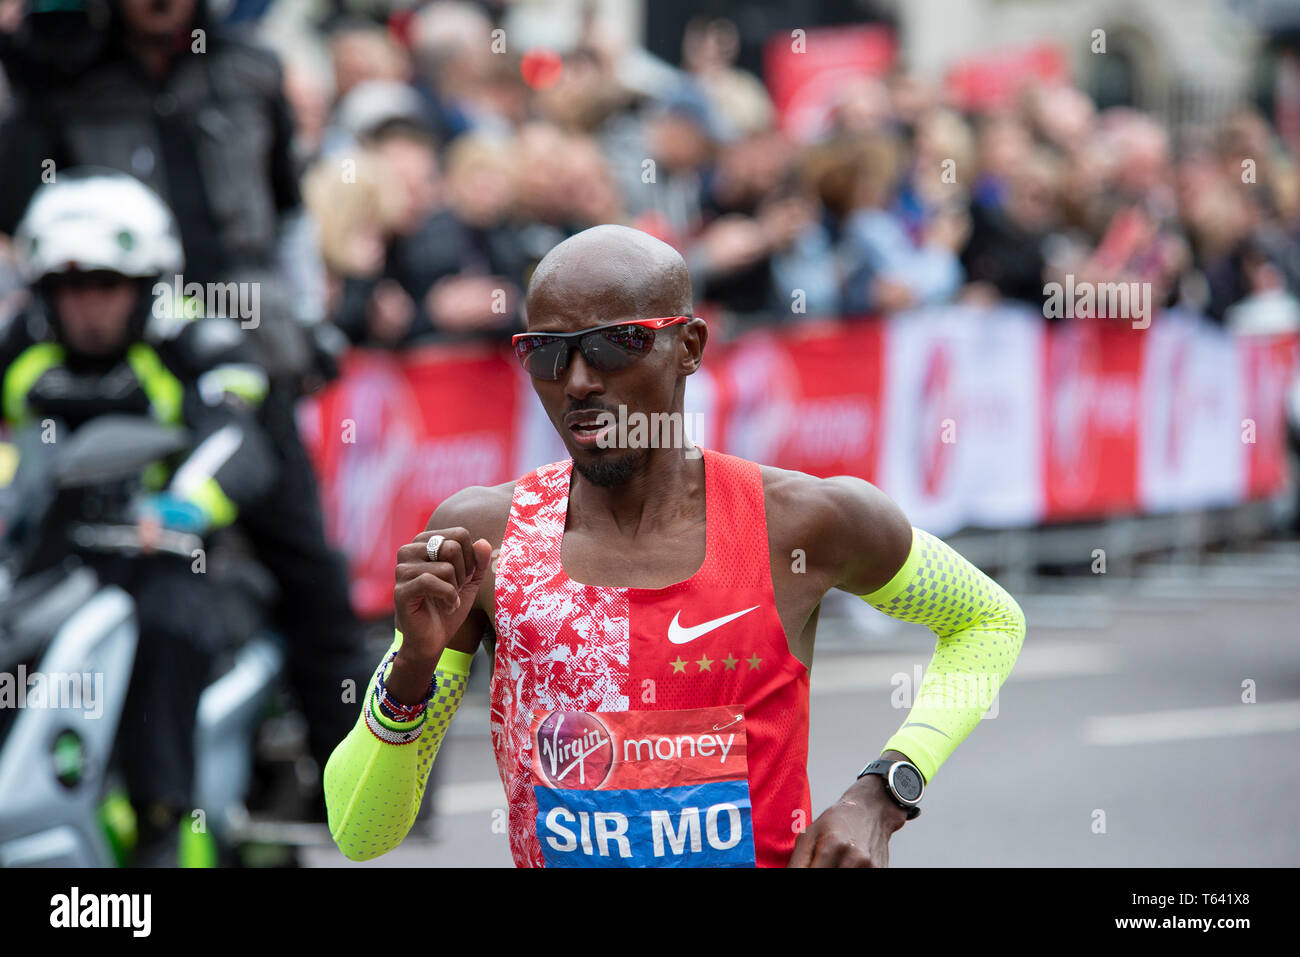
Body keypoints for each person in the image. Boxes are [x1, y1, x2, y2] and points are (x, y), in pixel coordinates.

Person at [324, 225, 1027, 868]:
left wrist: (884, 791)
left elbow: (989, 622)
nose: (577, 380)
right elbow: (361, 834)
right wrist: (414, 666)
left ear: (688, 346)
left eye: (614, 343)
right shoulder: (488, 539)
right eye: (546, 351)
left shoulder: (801, 521)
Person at [0, 0, 372, 779]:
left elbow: (290, 211)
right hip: (105, 341)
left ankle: (350, 769)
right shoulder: (63, 72)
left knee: (306, 564)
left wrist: (307, 320)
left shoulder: (250, 67)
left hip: (241, 351)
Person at [0, 169, 277, 864]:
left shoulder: (190, 338)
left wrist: (178, 507)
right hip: (42, 558)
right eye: (69, 287)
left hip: (168, 555)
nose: (87, 305)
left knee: (166, 625)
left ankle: (164, 816)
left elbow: (236, 437)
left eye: (106, 284)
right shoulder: (22, 343)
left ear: (147, 281)